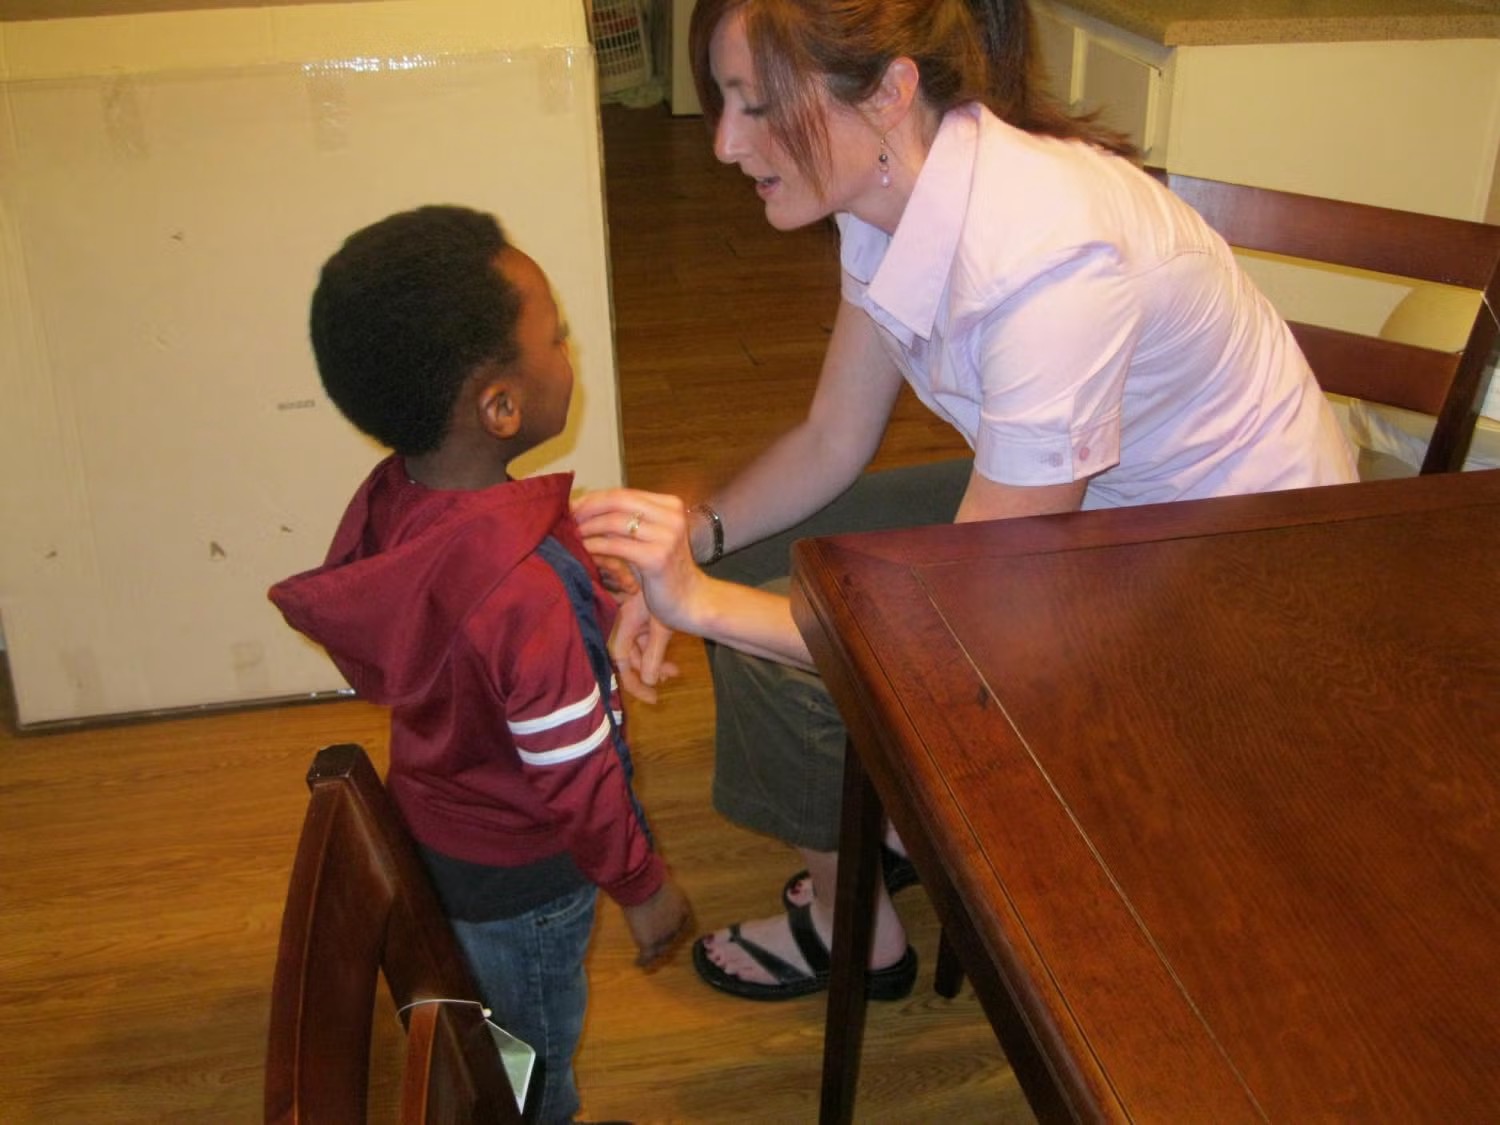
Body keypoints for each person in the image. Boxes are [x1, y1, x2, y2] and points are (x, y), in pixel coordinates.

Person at [571, 0, 1357, 1006]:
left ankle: (854, 912)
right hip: (1109, 509)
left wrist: (698, 602)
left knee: (776, 642)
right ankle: (888, 825)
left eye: (756, 108)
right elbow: (831, 440)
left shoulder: (1050, 264)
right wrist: (699, 538)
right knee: (753, 567)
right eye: (725, 106)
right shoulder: (894, 188)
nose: (726, 143)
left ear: (891, 91)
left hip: (1235, 581)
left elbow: (968, 629)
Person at [267, 205, 691, 1123]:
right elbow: (575, 775)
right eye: (558, 339)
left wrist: (594, 583)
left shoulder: (400, 497)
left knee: (492, 1023)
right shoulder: (522, 593)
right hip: (529, 881)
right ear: (500, 405)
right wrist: (643, 886)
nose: (569, 352)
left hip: (444, 833)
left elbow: (478, 605)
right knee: (532, 1064)